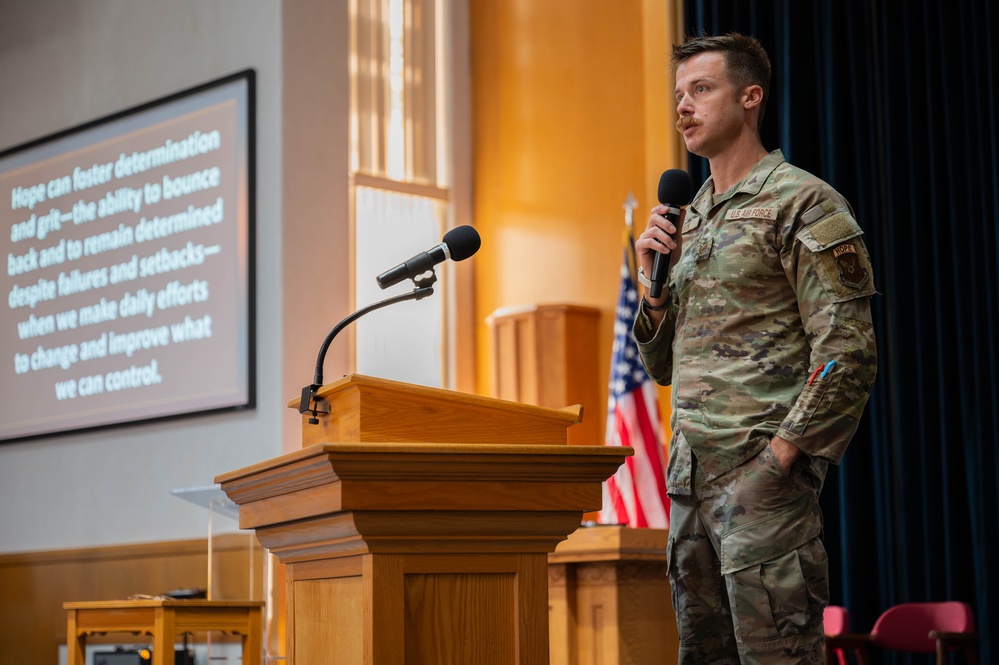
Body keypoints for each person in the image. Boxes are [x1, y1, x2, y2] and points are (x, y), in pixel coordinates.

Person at [633, 33, 878, 664]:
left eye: (702, 90)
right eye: (679, 94)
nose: (683, 107)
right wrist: (654, 293)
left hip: (761, 486)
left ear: (750, 97)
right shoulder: (690, 220)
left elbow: (846, 350)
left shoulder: (803, 202)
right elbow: (662, 368)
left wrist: (781, 460)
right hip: (689, 488)